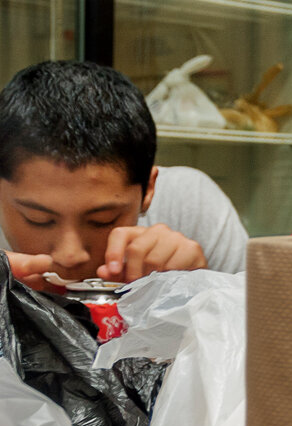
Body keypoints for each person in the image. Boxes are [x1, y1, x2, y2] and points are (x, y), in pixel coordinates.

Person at [0, 60, 248, 290]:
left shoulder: (190, 204)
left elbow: (261, 326)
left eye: (103, 220)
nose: (70, 255)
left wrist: (197, 291)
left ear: (148, 190)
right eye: (38, 219)